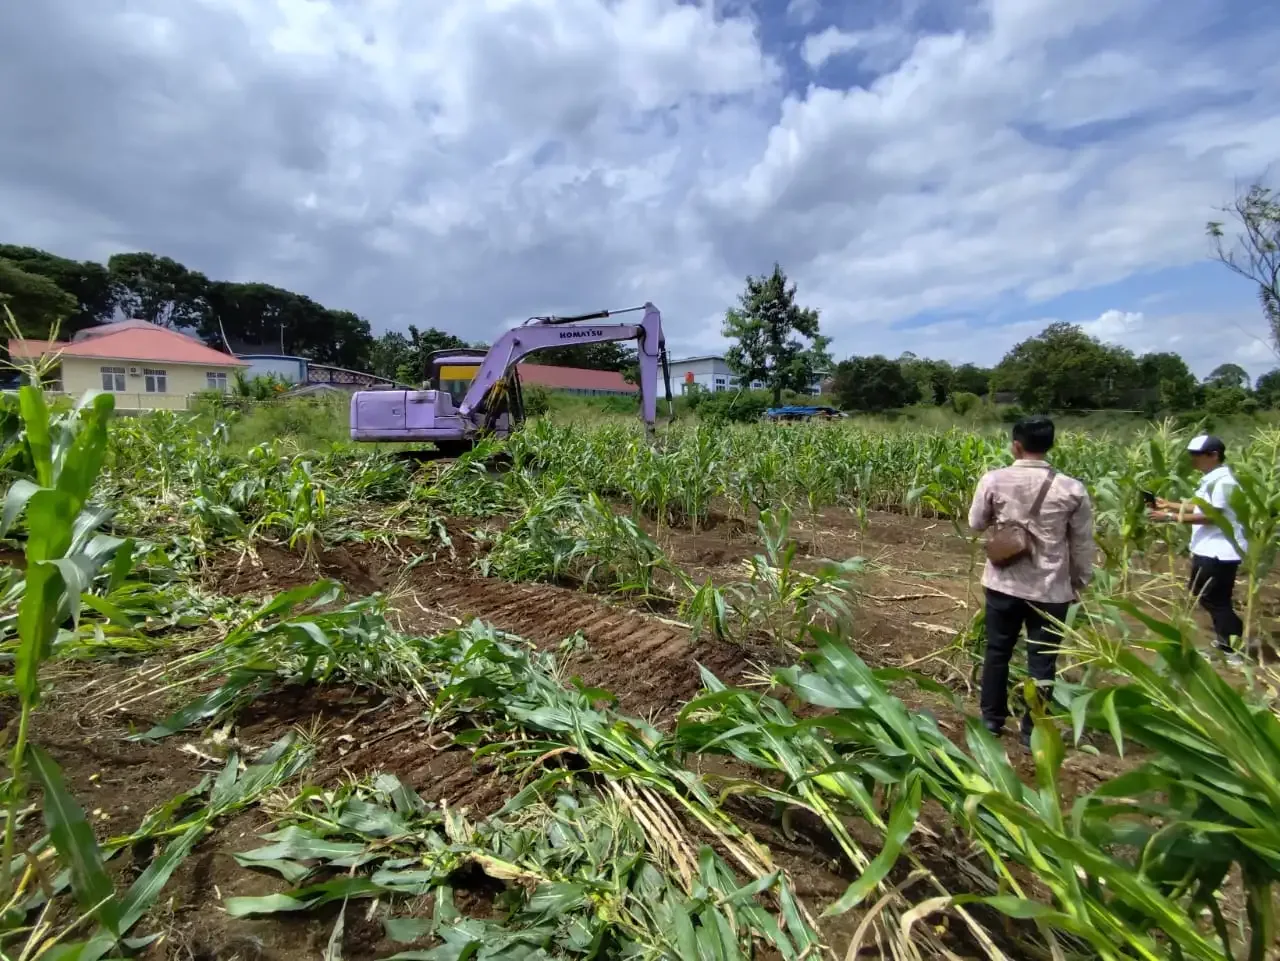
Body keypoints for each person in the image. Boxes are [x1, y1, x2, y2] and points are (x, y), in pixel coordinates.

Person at [968, 416, 1094, 745]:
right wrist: (1079, 582)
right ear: (1050, 445)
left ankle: (992, 721)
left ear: (1016, 445)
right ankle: (1032, 731)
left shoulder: (994, 479)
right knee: (1042, 661)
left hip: (1003, 583)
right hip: (1051, 590)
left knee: (997, 652)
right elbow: (1081, 543)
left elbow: (975, 523)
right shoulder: (1072, 488)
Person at [1148, 434, 1248, 661]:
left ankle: (1232, 649)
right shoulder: (1212, 479)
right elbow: (1202, 506)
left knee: (1214, 599)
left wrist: (1170, 517)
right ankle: (1227, 642)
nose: (1192, 460)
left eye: (1197, 455)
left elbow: (1212, 516)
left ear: (1213, 455)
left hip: (1219, 551)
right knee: (1203, 593)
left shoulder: (1224, 482)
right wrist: (1171, 504)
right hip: (1209, 548)